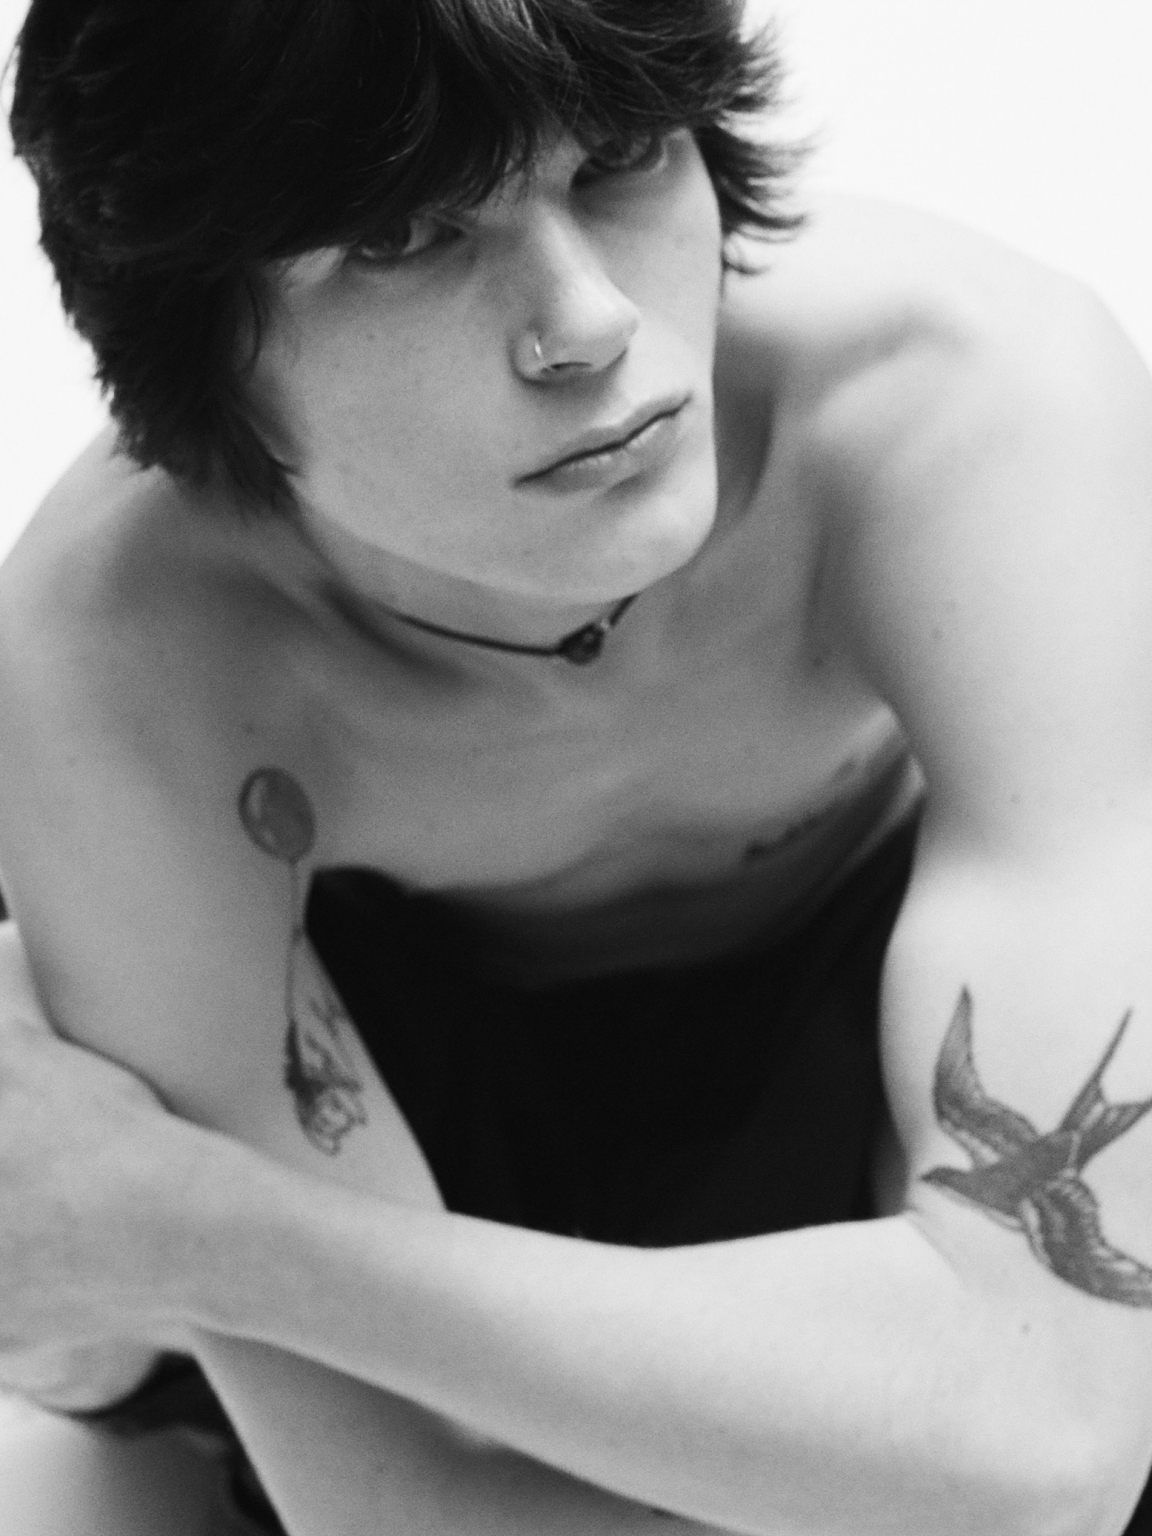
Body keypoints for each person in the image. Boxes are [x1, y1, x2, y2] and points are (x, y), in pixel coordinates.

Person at [1, 0, 1152, 1533]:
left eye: (620, 157)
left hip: (878, 963)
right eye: (405, 237)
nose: (591, 323)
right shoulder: (112, 659)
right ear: (196, 333)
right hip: (425, 1056)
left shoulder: (972, 400)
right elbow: (403, 1505)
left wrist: (199, 1226)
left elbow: (1057, 1446)